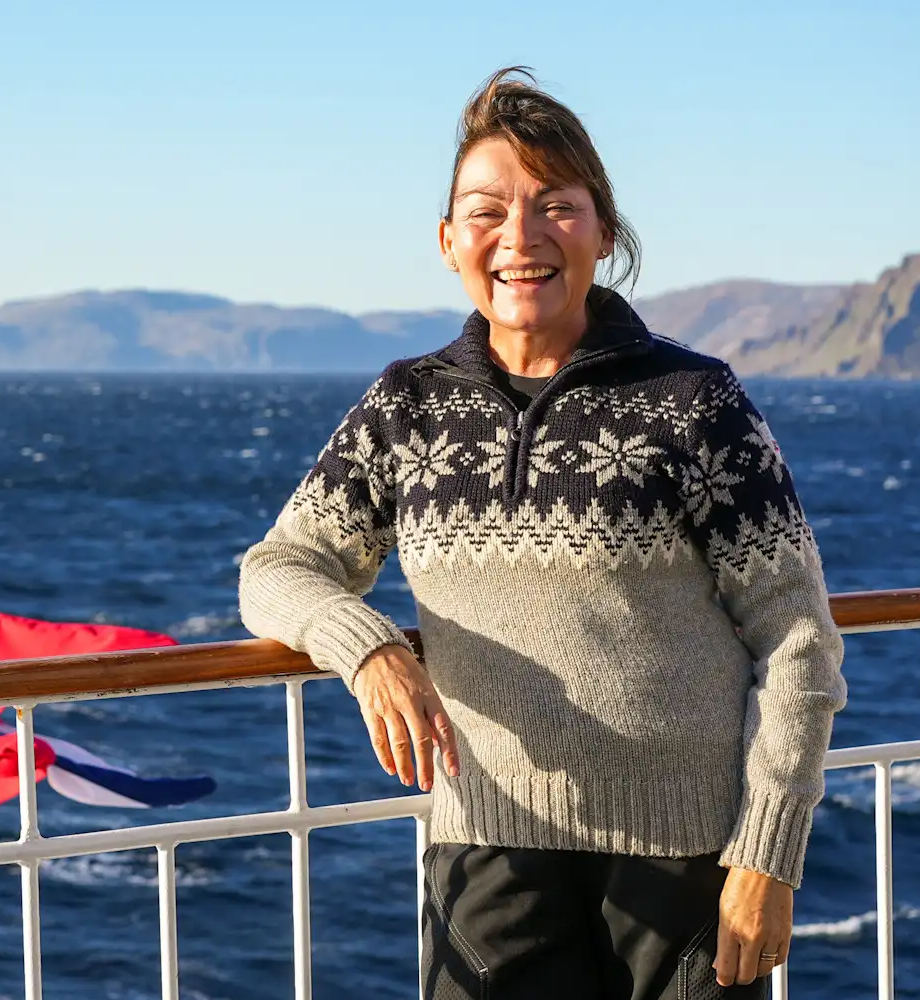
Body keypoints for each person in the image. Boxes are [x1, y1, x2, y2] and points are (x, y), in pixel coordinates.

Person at [237, 67, 846, 999]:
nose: (519, 237)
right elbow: (278, 568)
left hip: (689, 864)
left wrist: (768, 856)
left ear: (603, 233)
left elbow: (796, 637)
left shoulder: (694, 401)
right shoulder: (410, 406)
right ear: (448, 243)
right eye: (486, 211)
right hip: (487, 859)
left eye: (554, 206)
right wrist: (366, 649)